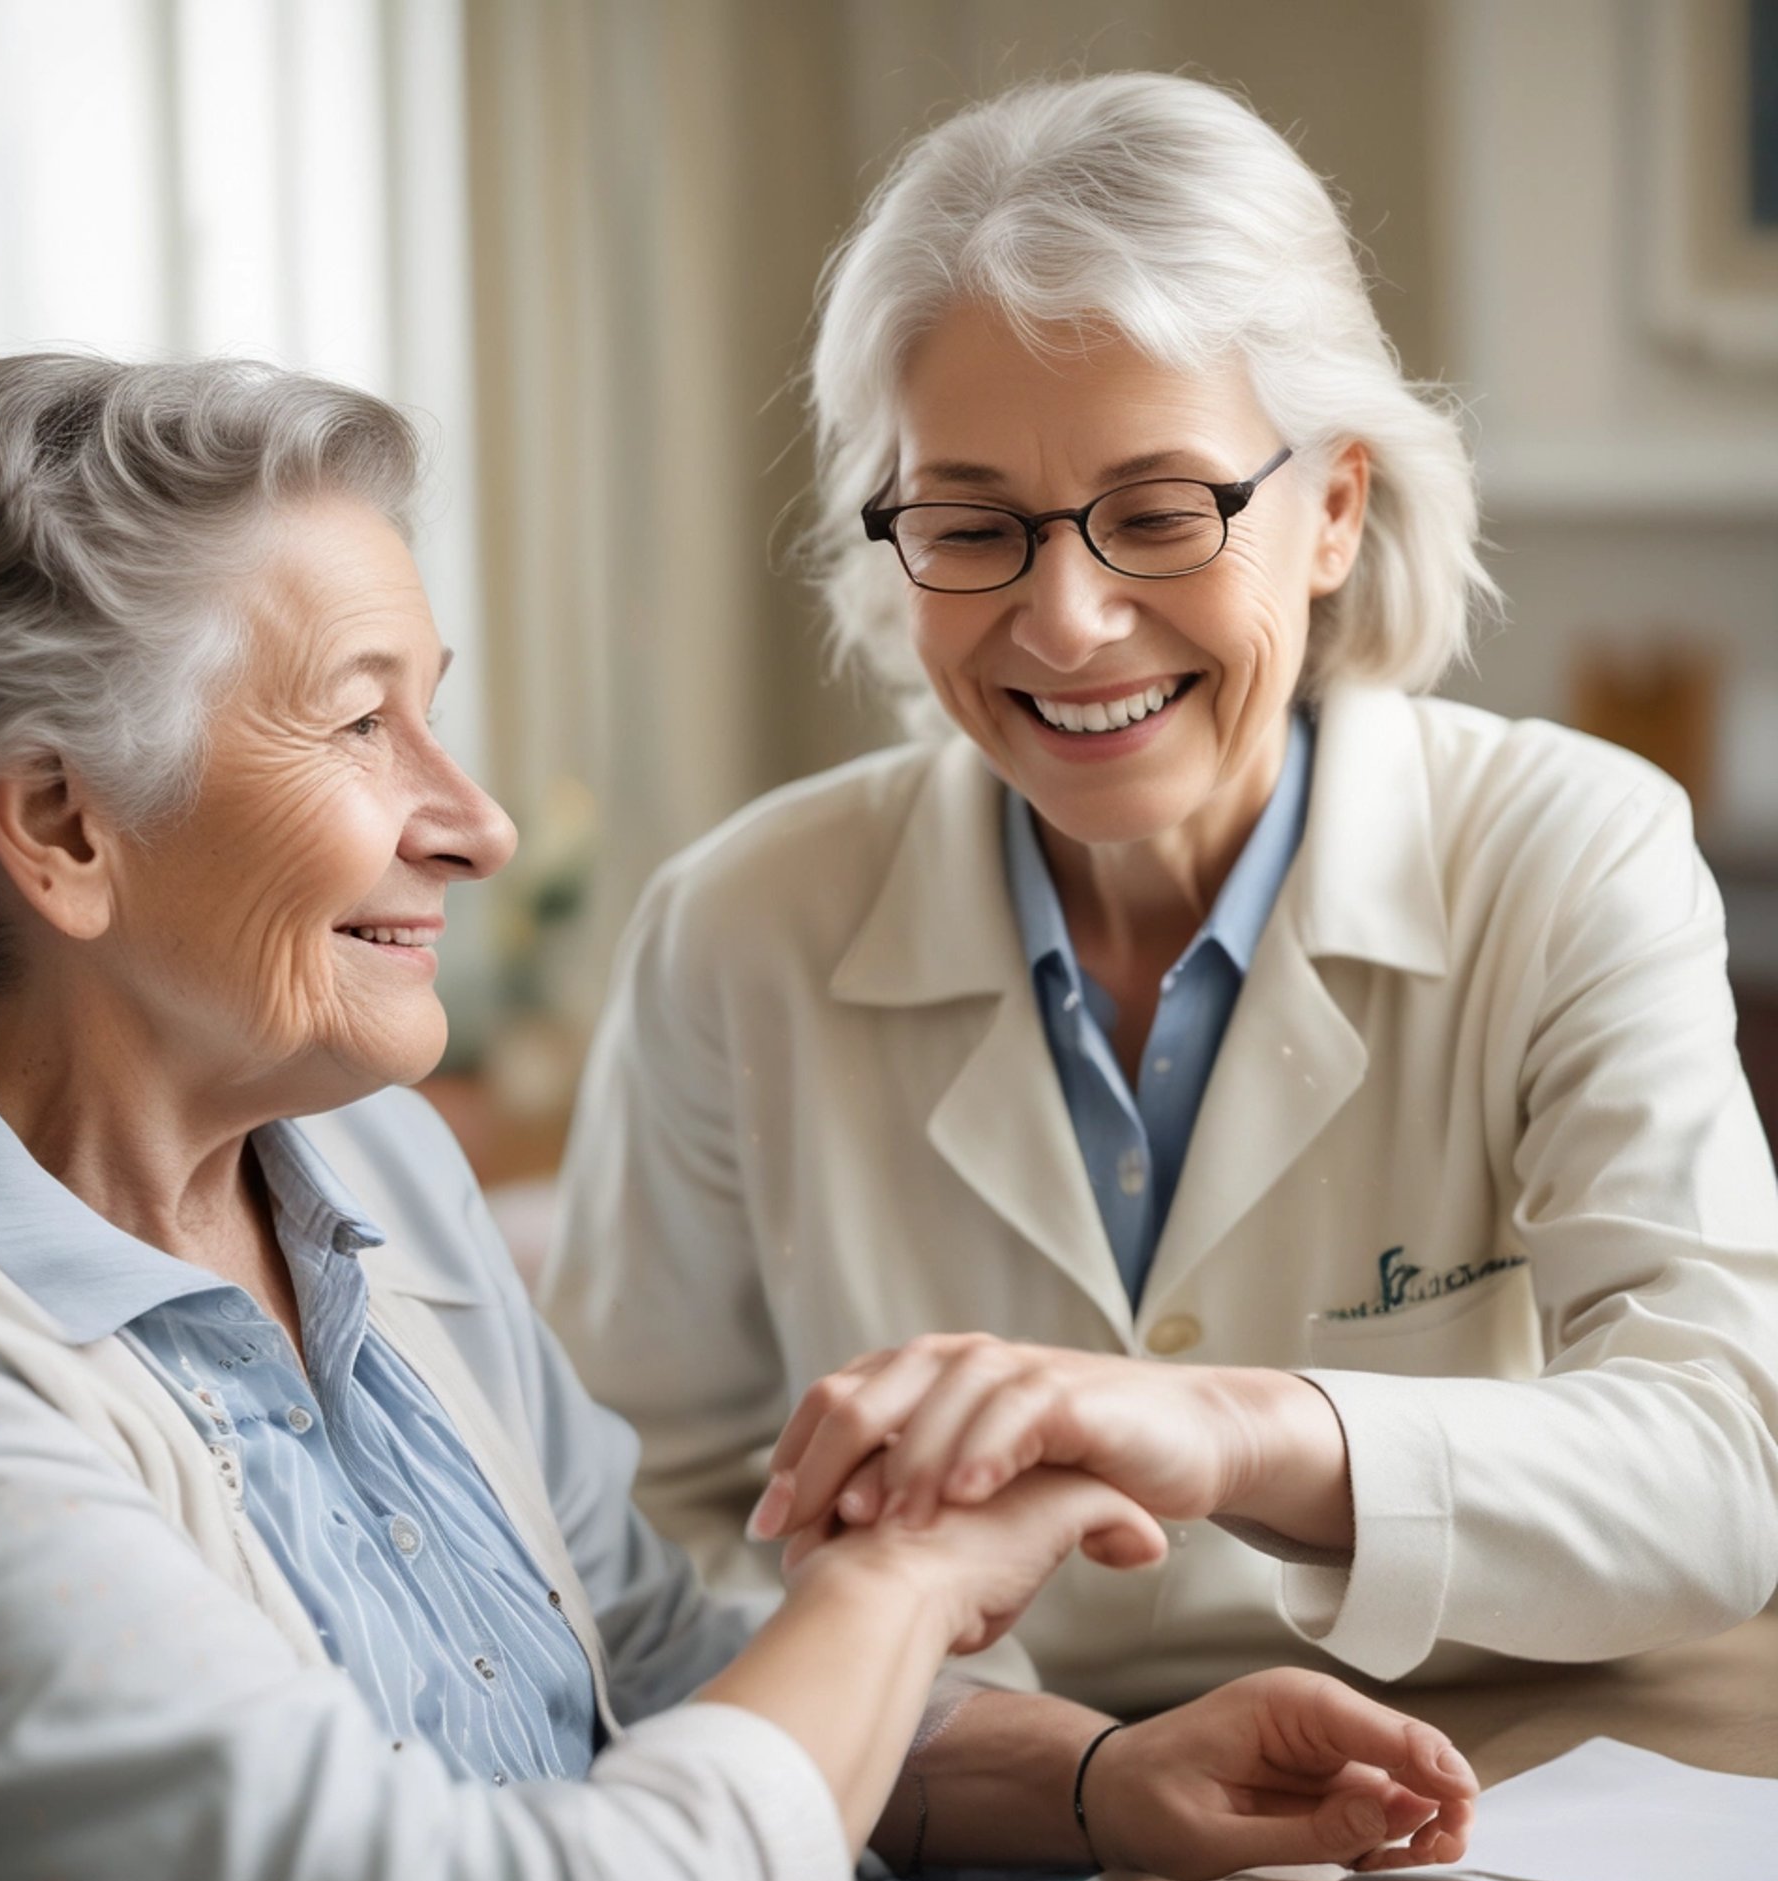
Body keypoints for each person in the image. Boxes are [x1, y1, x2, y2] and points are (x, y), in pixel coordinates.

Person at [0, 353, 1474, 1881]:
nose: (476, 823)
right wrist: (901, 1589)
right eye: (361, 728)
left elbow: (654, 1671)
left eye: (435, 714)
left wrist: (1091, 1783)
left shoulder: (371, 1165)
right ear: (67, 828)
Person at [540, 69, 1778, 1718]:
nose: (1065, 621)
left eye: (1161, 512)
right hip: (945, 1822)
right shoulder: (738, 928)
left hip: (1487, 1790)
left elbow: (1721, 1466)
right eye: (971, 523)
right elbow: (629, 1528)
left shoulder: (1569, 853)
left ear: (1333, 507)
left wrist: (1240, 1429)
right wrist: (1010, 1774)